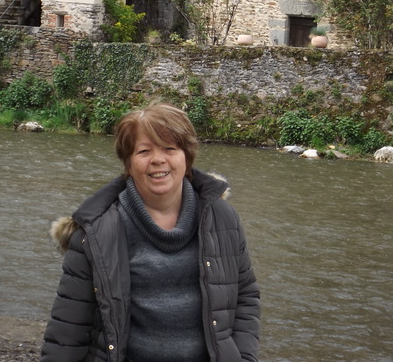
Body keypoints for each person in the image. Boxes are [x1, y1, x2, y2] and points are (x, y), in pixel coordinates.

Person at [40, 103, 260, 362]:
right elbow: (68, 327)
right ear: (129, 164)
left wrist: (243, 357)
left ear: (186, 159)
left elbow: (245, 295)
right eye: (144, 151)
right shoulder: (96, 232)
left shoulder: (222, 217)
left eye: (170, 148)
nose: (158, 159)